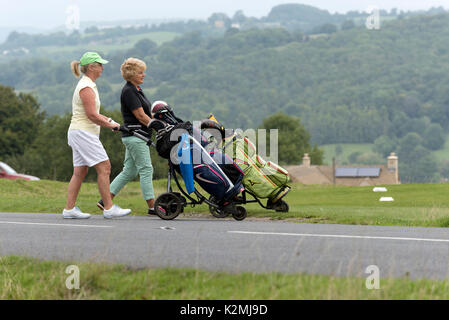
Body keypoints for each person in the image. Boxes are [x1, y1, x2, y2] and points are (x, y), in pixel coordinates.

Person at [63, 52, 132, 219]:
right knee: (105, 167)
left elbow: (94, 115)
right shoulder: (86, 87)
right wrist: (111, 124)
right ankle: (109, 208)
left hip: (80, 132)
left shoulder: (88, 84)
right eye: (100, 65)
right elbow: (92, 115)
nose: (102, 68)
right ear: (92, 67)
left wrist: (108, 120)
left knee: (80, 171)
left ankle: (69, 209)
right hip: (83, 132)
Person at [97, 57, 156, 215]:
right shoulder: (129, 91)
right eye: (140, 72)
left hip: (135, 136)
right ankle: (152, 206)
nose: (144, 75)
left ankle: (105, 201)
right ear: (131, 74)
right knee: (146, 169)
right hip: (136, 136)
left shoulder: (136, 89)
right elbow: (140, 115)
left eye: (143, 72)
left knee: (129, 171)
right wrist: (156, 126)